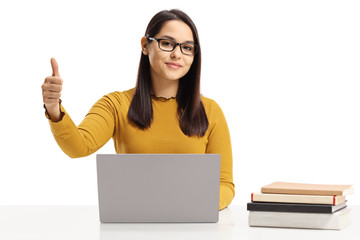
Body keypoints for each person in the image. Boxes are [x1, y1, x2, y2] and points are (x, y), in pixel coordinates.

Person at [41, 9, 235, 210]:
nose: (177, 54)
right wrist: (53, 107)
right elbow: (78, 147)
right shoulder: (116, 104)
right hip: (133, 223)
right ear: (145, 45)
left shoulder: (210, 111)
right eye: (167, 43)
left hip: (192, 225)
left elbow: (225, 185)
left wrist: (191, 206)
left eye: (187, 47)